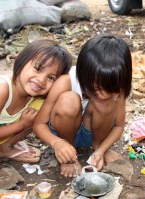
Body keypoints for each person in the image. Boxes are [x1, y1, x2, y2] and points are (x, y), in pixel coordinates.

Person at [33, 34, 133, 177]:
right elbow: (38, 125)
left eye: (111, 91)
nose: (104, 95)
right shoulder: (66, 81)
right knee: (69, 100)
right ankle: (68, 154)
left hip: (90, 133)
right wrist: (57, 143)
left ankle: (97, 145)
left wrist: (102, 150)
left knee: (105, 104)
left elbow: (118, 126)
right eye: (98, 88)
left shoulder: (117, 85)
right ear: (84, 74)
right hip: (63, 133)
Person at [0, 39, 72, 163]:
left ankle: (4, 148)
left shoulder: (36, 99)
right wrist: (21, 125)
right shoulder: (0, 88)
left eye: (51, 77)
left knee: (41, 111)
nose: (41, 80)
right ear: (21, 61)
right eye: (38, 69)